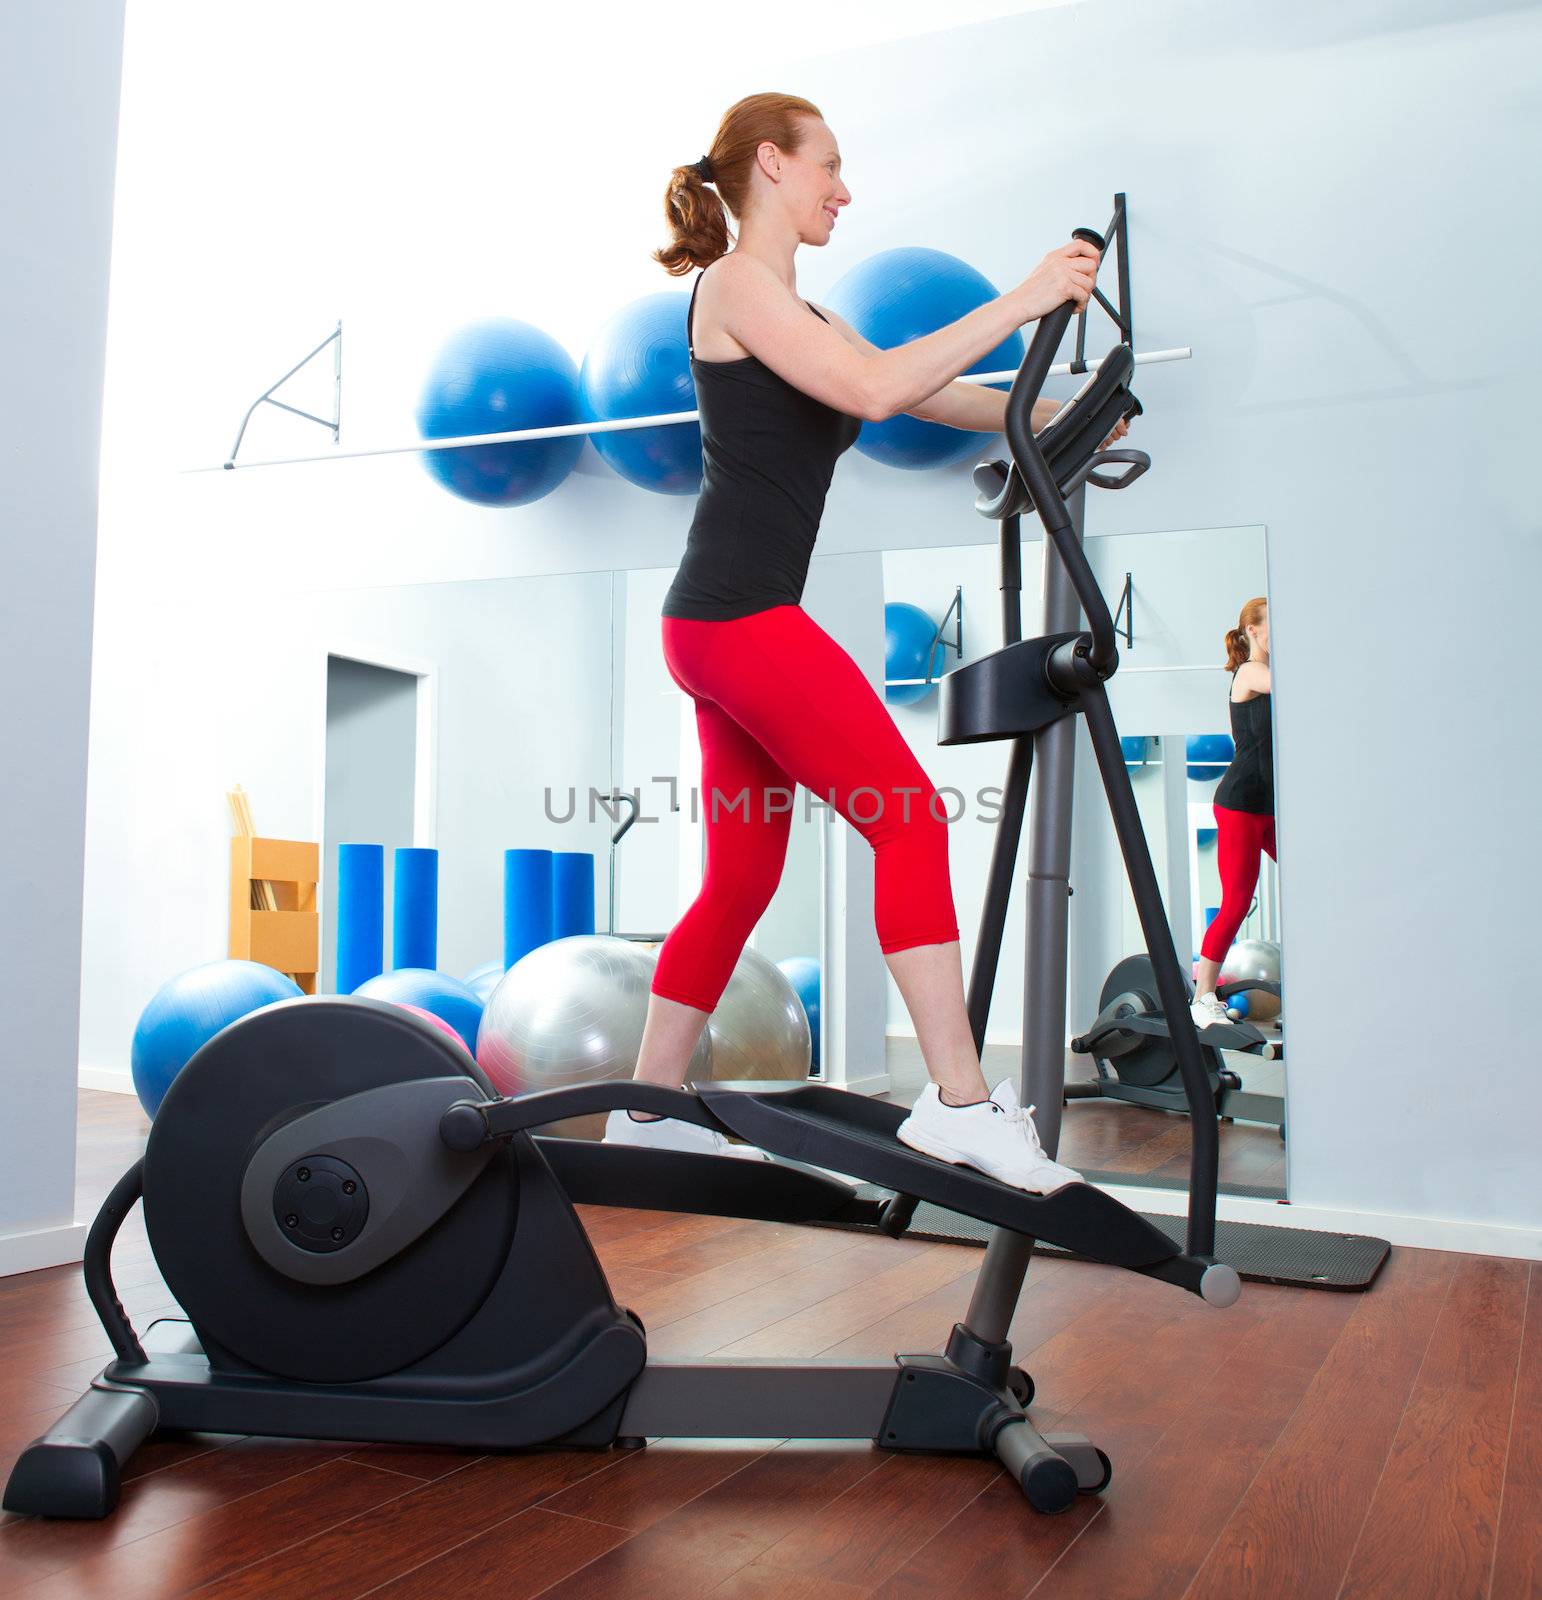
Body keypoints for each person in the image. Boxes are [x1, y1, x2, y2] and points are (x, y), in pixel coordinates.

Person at [606, 92, 1121, 1195]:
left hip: (717, 619)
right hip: (741, 614)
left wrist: (1068, 405)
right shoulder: (740, 284)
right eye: (829, 166)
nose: (844, 188)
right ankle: (960, 1103)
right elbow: (878, 392)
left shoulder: (806, 312)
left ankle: (647, 1113)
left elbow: (935, 401)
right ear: (772, 166)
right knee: (913, 818)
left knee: (741, 875)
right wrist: (1029, 296)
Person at [1191, 597, 1275, 1029]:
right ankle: (1202, 997)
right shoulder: (1250, 673)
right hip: (1240, 804)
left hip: (1272, 806)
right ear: (1254, 632)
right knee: (1237, 902)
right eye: (1274, 623)